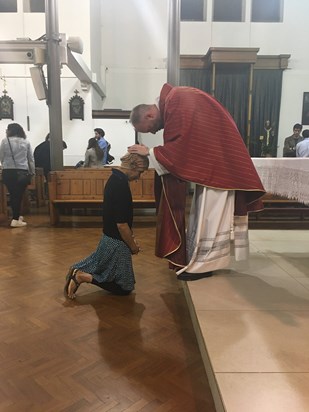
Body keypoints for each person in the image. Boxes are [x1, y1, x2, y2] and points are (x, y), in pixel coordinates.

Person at [128, 83, 265, 281]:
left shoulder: (176, 101)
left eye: (149, 129)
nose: (153, 132)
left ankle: (204, 265)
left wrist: (150, 152)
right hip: (215, 165)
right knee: (204, 213)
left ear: (150, 115)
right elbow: (186, 144)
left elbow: (180, 149)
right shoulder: (177, 99)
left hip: (219, 170)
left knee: (211, 216)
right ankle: (199, 260)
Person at [64, 152, 149, 299]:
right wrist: (132, 246)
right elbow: (122, 224)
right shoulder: (120, 185)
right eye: (140, 173)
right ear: (133, 167)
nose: (138, 177)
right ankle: (81, 277)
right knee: (124, 288)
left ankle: (77, 271)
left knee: (100, 265)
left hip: (109, 237)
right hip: (117, 242)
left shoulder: (115, 179)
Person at [0, 123, 35, 227]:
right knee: (18, 196)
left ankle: (17, 216)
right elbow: (30, 159)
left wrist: (6, 164)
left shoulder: (5, 142)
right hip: (22, 171)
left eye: (7, 129)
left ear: (11, 131)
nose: (6, 131)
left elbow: (1, 157)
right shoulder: (26, 142)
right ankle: (15, 219)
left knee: (12, 194)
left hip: (8, 171)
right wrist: (32, 172)